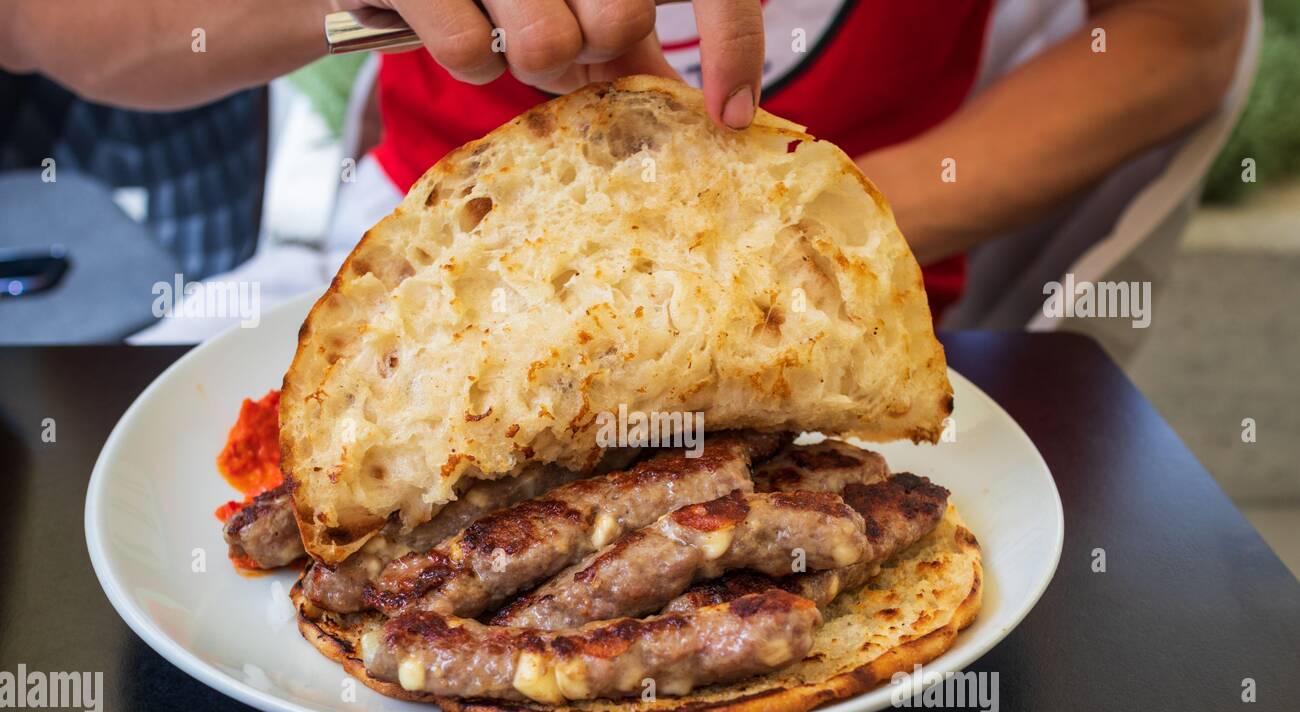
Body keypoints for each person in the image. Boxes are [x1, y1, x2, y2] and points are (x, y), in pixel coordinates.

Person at [1, 0, 1249, 322]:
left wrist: (839, 222)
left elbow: (1184, 40)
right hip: (427, 291)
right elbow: (51, 28)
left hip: (838, 314)